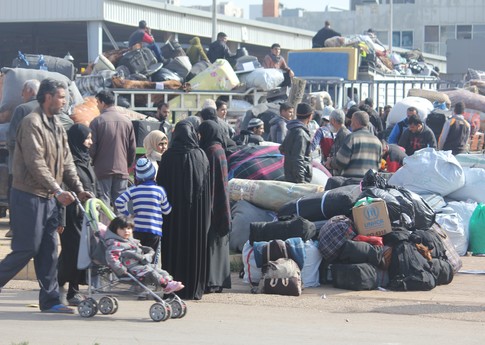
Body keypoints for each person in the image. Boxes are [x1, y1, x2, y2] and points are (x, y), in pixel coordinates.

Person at [0, 78, 92, 313]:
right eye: (61, 97)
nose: (65, 101)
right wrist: (58, 189)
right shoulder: (32, 123)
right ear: (47, 97)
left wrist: (79, 188)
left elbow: (67, 161)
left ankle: (50, 301)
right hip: (27, 196)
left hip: (50, 198)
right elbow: (35, 162)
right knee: (27, 248)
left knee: (49, 251)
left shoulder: (58, 125)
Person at [156, 120, 211, 300]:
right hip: (196, 215)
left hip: (173, 214)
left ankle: (173, 286)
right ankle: (194, 287)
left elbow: (161, 186)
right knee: (194, 247)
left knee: (174, 247)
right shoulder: (201, 155)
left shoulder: (168, 156)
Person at [58, 123, 99, 306]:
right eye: (87, 138)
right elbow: (63, 191)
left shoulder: (85, 160)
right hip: (71, 215)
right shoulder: (70, 163)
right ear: (77, 140)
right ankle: (71, 291)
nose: (90, 142)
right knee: (73, 252)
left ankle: (59, 283)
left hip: (84, 215)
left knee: (76, 252)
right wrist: (61, 218)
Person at [104, 215, 184, 294]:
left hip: (140, 265)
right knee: (151, 272)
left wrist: (143, 250)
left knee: (158, 269)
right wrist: (120, 269)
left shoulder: (131, 241)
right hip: (130, 269)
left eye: (129, 229)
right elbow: (112, 258)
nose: (126, 231)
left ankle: (169, 282)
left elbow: (140, 249)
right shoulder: (115, 244)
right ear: (115, 230)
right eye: (122, 229)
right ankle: (165, 285)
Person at [197, 120, 232, 293]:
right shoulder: (219, 149)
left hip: (212, 203)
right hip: (221, 202)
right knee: (219, 245)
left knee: (211, 243)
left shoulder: (209, 151)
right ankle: (218, 281)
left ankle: (211, 281)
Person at [115, 157, 172, 260]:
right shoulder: (159, 191)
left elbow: (119, 202)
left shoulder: (134, 190)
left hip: (137, 229)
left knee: (137, 257)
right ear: (153, 174)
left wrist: (128, 215)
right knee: (151, 258)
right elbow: (167, 211)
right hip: (154, 231)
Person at [89, 90, 136, 207]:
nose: (97, 106)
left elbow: (92, 148)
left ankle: (105, 225)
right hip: (121, 169)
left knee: (103, 204)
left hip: (102, 170)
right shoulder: (127, 122)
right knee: (120, 205)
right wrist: (127, 164)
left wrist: (91, 165)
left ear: (103, 102)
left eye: (97, 103)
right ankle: (121, 226)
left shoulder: (97, 122)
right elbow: (132, 148)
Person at [6, 79, 40, 238]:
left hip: (19, 166)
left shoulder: (22, 109)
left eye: (23, 91)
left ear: (30, 91)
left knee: (15, 196)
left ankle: (15, 228)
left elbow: (12, 137)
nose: (21, 94)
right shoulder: (47, 109)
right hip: (41, 166)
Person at [327, 110, 382, 178]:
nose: (350, 124)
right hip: (370, 184)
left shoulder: (352, 138)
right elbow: (378, 165)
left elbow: (341, 161)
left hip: (352, 184)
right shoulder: (377, 141)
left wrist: (330, 162)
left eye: (352, 121)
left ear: (356, 122)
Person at [279, 103, 314, 183]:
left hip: (290, 175)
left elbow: (282, 148)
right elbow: (298, 158)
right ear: (310, 116)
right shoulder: (301, 134)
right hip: (299, 179)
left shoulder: (292, 129)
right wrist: (301, 182)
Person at [324, 109, 351, 175]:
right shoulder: (342, 133)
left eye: (330, 121)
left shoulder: (343, 135)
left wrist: (330, 162)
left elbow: (341, 157)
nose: (329, 124)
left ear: (333, 121)